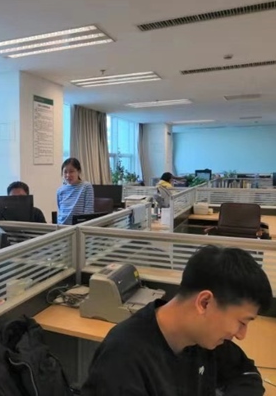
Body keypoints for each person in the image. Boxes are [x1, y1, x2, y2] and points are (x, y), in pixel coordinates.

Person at [81, 245, 272, 396]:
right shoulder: (123, 359)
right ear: (204, 303)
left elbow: (247, 375)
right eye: (242, 322)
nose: (241, 335)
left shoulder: (205, 338)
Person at [57, 158, 94, 225]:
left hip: (79, 227)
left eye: (71, 171)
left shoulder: (86, 186)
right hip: (61, 226)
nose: (68, 175)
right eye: (65, 172)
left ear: (79, 171)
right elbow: (60, 211)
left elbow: (88, 213)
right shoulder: (60, 190)